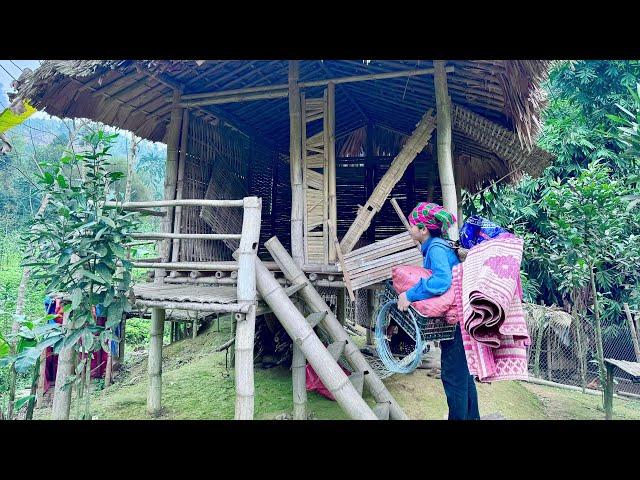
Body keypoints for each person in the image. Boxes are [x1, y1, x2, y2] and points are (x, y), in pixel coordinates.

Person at [396, 202, 480, 420]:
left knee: (453, 378)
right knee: (462, 377)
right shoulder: (437, 246)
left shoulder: (435, 249)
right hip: (461, 320)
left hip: (457, 323)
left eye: (412, 225)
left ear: (423, 230)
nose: (409, 229)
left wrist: (410, 295)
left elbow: (442, 281)